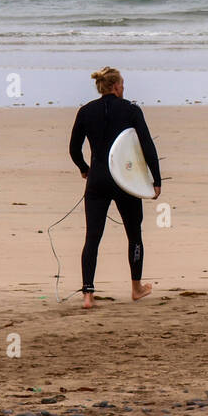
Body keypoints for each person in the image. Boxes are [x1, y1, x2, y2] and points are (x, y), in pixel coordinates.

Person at [68, 67, 161, 307]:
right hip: (125, 180)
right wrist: (155, 180)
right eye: (123, 84)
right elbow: (147, 145)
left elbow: (73, 148)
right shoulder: (131, 110)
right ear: (116, 86)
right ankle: (136, 288)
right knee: (134, 234)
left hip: (97, 179)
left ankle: (88, 294)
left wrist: (84, 168)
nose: (124, 88)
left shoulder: (86, 111)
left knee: (92, 237)